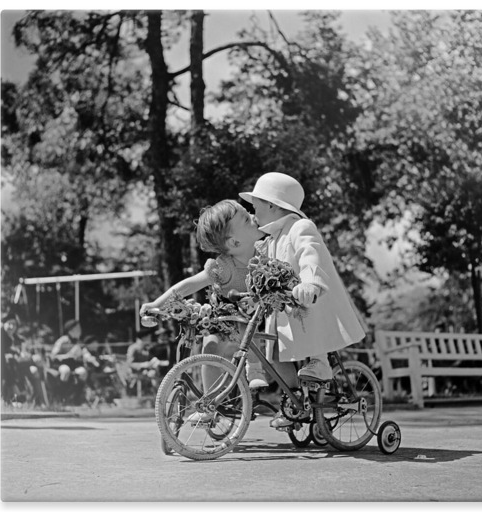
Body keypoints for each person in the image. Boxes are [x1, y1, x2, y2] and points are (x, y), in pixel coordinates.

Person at [239, 172, 368, 428]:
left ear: (273, 205)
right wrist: (256, 298)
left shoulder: (300, 227)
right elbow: (269, 276)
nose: (253, 214)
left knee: (313, 336)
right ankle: (296, 402)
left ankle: (321, 364)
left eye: (256, 206)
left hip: (308, 301)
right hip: (286, 310)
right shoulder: (272, 239)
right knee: (274, 354)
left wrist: (310, 282)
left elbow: (311, 254)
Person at [140, 199, 268, 392]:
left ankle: (256, 370)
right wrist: (157, 303)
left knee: (246, 328)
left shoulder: (266, 253)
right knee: (209, 348)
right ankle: (210, 400)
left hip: (252, 316)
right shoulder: (223, 266)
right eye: (246, 219)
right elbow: (188, 285)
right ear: (235, 242)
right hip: (223, 316)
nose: (253, 216)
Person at [49, 319, 98, 404]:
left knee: (83, 372)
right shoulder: (63, 340)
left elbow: (85, 353)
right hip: (61, 364)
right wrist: (68, 355)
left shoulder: (79, 342)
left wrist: (92, 359)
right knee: (65, 371)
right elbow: (53, 355)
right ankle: (61, 397)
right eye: (78, 328)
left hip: (74, 365)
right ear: (71, 330)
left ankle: (76, 398)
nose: (80, 331)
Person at [126, 328, 168, 393]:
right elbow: (130, 364)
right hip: (134, 373)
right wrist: (145, 364)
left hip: (146, 372)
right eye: (149, 336)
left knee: (158, 373)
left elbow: (152, 360)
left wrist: (161, 362)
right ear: (144, 337)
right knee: (154, 375)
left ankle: (161, 394)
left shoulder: (146, 348)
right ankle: (160, 395)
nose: (151, 338)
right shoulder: (133, 348)